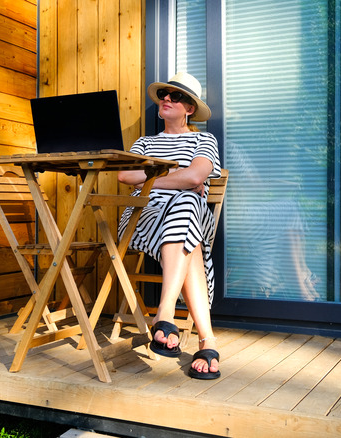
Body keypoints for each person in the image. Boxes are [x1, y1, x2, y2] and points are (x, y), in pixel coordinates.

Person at [117, 72, 222, 379]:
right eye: (164, 93)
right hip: (143, 216)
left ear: (190, 108)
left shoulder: (204, 139)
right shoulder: (145, 142)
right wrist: (180, 176)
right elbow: (125, 177)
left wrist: (152, 180)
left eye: (175, 96)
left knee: (187, 204)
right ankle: (207, 340)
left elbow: (196, 177)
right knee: (189, 214)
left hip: (184, 215)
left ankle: (164, 315)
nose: (166, 98)